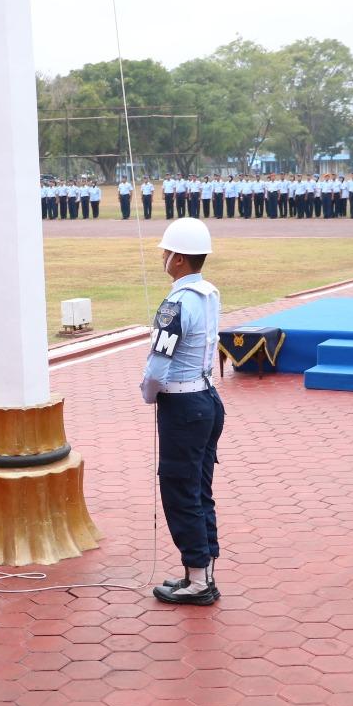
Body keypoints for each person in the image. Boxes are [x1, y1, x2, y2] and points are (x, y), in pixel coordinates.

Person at [139, 217, 224, 607]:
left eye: (165, 252)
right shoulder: (209, 294)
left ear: (177, 259)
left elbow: (158, 365)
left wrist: (149, 394)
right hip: (207, 399)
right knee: (199, 488)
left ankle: (197, 580)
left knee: (179, 490)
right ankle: (202, 571)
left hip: (184, 405)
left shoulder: (176, 303)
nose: (162, 257)